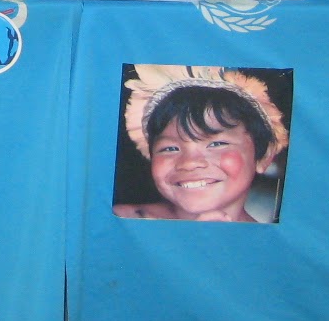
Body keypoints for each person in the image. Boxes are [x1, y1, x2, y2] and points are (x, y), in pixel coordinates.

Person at [115, 65, 289, 224]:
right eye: (170, 148)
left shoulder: (273, 247)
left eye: (217, 144)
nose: (189, 163)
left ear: (264, 156)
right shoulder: (123, 221)